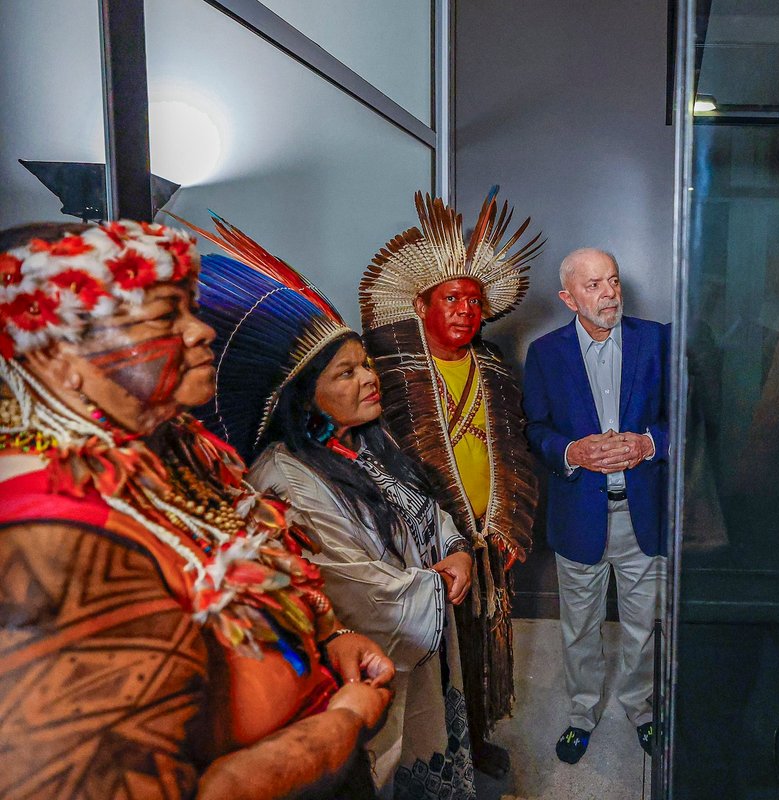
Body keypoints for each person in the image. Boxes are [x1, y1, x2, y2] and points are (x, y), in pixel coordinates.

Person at [0, 220, 394, 799]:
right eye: (165, 316)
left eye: (190, 309)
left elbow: (257, 557)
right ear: (61, 356)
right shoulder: (46, 532)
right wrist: (342, 727)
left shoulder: (179, 443)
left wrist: (329, 633)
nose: (201, 331)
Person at [186, 213, 477, 799]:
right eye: (346, 373)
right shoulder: (283, 479)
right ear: (305, 397)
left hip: (423, 633)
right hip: (370, 662)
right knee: (382, 764)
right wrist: (429, 587)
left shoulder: (371, 440)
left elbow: (426, 507)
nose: (370, 380)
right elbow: (347, 581)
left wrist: (456, 548)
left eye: (364, 364)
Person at [359, 190, 543, 776]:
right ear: (420, 303)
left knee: (486, 637)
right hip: (423, 541)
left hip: (489, 528)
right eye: (452, 298)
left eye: (474, 300)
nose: (466, 309)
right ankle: (431, 750)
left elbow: (513, 445)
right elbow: (372, 457)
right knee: (433, 646)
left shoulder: (491, 364)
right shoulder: (385, 365)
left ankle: (478, 736)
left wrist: (509, 522)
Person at [522, 247, 670, 763]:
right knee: (579, 626)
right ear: (568, 297)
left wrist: (649, 443)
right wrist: (571, 451)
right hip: (579, 516)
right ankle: (582, 714)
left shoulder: (658, 340)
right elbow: (534, 428)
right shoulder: (545, 353)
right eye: (593, 286)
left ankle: (640, 707)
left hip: (643, 513)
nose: (609, 293)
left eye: (613, 281)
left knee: (641, 622)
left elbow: (686, 415)